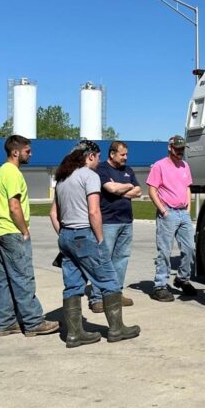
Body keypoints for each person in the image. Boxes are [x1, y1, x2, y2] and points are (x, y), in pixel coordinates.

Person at [49, 140, 139, 347]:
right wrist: (99, 239)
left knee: (72, 284)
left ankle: (74, 334)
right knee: (109, 280)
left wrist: (64, 235)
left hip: (66, 236)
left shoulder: (63, 178)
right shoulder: (89, 176)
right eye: (98, 158)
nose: (99, 162)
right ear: (90, 156)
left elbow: (53, 214)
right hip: (85, 235)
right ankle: (117, 329)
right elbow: (94, 211)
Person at [0, 135, 59, 338]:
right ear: (15, 152)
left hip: (1, 231)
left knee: (8, 279)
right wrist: (24, 230)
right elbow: (14, 206)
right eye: (27, 151)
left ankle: (5, 322)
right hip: (13, 231)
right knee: (23, 277)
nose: (31, 154)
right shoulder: (12, 173)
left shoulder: (1, 171)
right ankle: (33, 321)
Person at [88, 141, 143, 313]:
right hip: (108, 222)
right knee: (103, 259)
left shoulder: (128, 170)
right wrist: (126, 187)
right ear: (112, 154)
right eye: (122, 154)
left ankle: (115, 293)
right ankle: (97, 297)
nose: (126, 157)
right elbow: (109, 188)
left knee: (121, 259)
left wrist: (120, 189)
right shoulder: (102, 169)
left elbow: (139, 191)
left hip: (126, 221)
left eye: (126, 154)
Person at [146, 135, 198, 302]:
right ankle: (160, 285)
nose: (180, 152)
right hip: (168, 212)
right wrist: (162, 210)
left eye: (182, 149)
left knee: (189, 248)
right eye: (177, 149)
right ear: (170, 148)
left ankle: (182, 279)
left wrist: (188, 208)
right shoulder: (159, 166)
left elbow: (187, 187)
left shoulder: (185, 166)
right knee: (165, 251)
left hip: (183, 212)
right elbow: (152, 190)